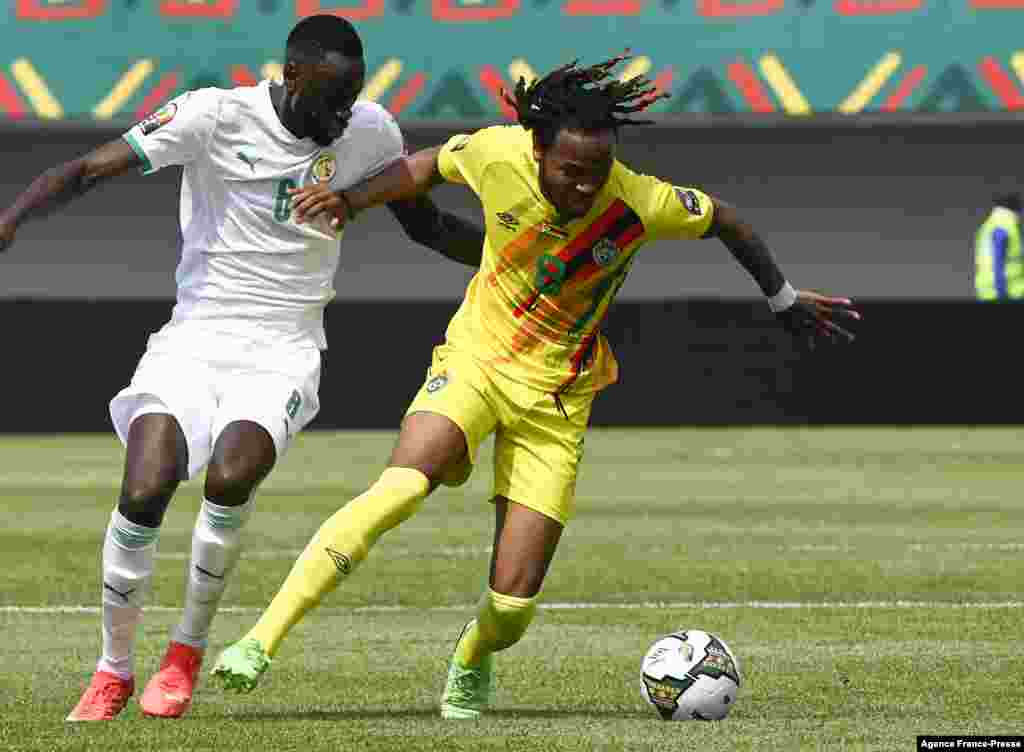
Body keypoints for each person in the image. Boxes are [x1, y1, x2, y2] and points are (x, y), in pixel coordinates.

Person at [210, 54, 860, 719]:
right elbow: (424, 166)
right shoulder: (497, 155)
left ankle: (473, 652)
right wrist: (351, 199)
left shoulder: (638, 202)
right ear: (538, 150)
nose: (584, 189)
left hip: (556, 402)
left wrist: (781, 298)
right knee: (401, 487)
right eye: (570, 172)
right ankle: (260, 640)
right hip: (477, 363)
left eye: (597, 174)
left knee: (513, 608)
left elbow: (727, 219)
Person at [0, 15, 485, 722]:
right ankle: (111, 671)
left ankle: (184, 652)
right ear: (289, 78)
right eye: (328, 99)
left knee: (230, 477)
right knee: (145, 488)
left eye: (350, 99)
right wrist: (11, 220)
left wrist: (513, 255)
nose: (340, 115)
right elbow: (83, 170)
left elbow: (427, 225)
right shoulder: (213, 116)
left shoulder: (371, 132)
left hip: (284, 346)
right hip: (194, 337)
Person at [975, 192, 1024, 301]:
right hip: (1008, 292)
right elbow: (998, 262)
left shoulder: (987, 225)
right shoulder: (1005, 226)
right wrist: (1002, 293)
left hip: (986, 291)